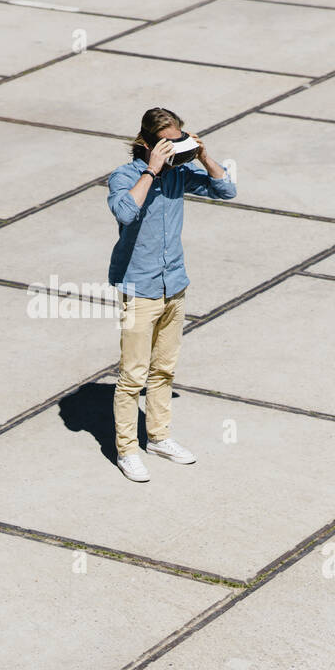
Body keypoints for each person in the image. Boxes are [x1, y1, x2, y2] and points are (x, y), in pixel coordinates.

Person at [105, 107, 237, 483]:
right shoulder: (126, 176)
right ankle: (127, 450)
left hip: (174, 284)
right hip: (139, 287)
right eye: (166, 143)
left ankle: (159, 436)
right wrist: (151, 170)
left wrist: (203, 156)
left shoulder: (179, 175)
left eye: (175, 141)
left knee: (164, 368)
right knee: (133, 375)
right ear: (147, 144)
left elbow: (226, 189)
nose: (171, 151)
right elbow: (125, 212)